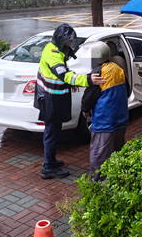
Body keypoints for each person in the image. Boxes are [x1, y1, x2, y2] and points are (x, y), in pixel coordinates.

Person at [34, 23, 105, 179]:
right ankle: (48, 168)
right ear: (61, 40)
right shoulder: (53, 54)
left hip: (52, 98)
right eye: (68, 41)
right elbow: (64, 75)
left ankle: (51, 161)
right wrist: (88, 80)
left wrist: (69, 84)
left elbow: (61, 75)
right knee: (51, 133)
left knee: (53, 132)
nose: (70, 44)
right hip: (50, 100)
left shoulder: (53, 49)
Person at [81, 42, 128, 181]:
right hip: (121, 118)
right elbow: (127, 90)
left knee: (99, 154)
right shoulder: (118, 68)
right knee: (117, 150)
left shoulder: (98, 73)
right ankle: (116, 179)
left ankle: (97, 183)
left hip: (104, 121)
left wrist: (85, 109)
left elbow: (89, 95)